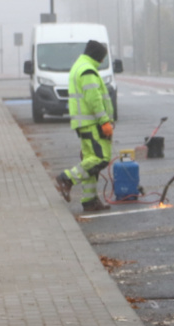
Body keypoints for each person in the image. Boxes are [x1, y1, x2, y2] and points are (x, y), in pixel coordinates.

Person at [53, 40, 113, 213]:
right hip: (92, 123)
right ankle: (67, 178)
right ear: (97, 56)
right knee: (101, 158)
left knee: (90, 163)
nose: (102, 62)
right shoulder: (87, 70)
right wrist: (104, 122)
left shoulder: (79, 66)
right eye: (101, 58)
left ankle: (89, 201)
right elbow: (93, 99)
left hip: (84, 124)